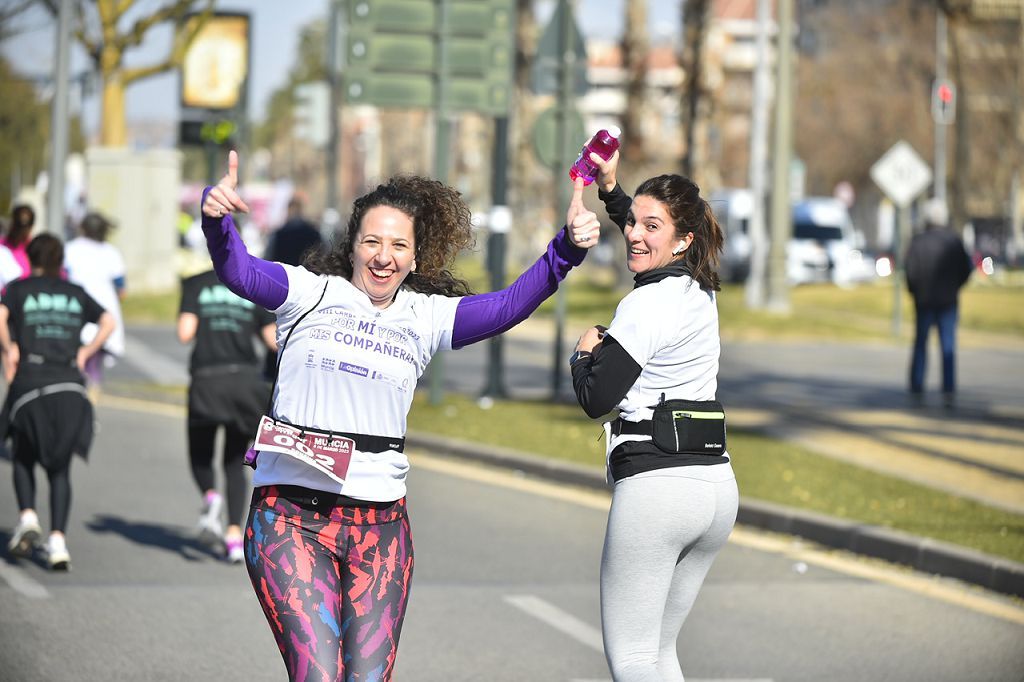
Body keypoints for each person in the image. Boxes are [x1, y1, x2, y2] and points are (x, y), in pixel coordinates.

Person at [201, 150, 600, 680]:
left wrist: (566, 250)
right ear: (352, 248)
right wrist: (216, 222)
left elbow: (507, 306)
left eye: (398, 246)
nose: (383, 256)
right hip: (289, 518)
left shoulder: (425, 315)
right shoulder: (308, 293)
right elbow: (238, 270)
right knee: (317, 674)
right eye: (372, 242)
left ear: (415, 257)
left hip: (379, 527)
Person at [569, 151, 738, 681]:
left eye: (651, 226)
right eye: (633, 223)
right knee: (660, 653)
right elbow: (644, 228)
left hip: (659, 491)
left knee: (634, 658)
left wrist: (583, 354)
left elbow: (598, 397)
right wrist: (612, 188)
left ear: (683, 239)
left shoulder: (645, 306)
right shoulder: (698, 288)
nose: (634, 235)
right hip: (715, 489)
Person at [1, 234, 116, 570]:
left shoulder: (19, 288)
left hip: (30, 383)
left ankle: (27, 516)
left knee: (22, 453)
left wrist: (10, 348)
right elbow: (109, 320)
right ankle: (57, 543)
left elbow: (1, 313)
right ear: (59, 261)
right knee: (60, 468)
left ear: (31, 258)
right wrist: (85, 352)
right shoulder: (74, 292)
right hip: (69, 386)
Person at [178, 265, 277, 563]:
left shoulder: (196, 283)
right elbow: (273, 340)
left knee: (200, 454)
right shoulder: (250, 287)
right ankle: (234, 538)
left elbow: (185, 333)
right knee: (235, 462)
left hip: (207, 379)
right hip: (244, 383)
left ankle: (211, 495)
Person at [905, 198, 973, 409]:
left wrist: (916, 291)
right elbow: (966, 270)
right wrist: (954, 287)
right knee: (948, 346)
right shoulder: (953, 242)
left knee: (920, 344)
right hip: (947, 301)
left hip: (924, 300)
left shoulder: (918, 242)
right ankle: (948, 389)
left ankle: (917, 386)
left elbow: (910, 272)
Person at [261, 195, 326, 381]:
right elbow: (324, 258)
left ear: (289, 210)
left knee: (278, 330)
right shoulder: (314, 233)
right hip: (309, 289)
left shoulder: (279, 233)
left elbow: (269, 258)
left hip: (282, 286)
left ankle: (272, 370)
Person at [63, 211, 127, 397]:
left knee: (74, 361)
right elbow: (121, 289)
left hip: (76, 310)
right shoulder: (111, 252)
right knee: (94, 364)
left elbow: (63, 277)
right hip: (104, 313)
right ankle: (88, 404)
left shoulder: (70, 249)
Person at [3, 204, 36, 279]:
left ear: (31, 226)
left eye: (25, 225)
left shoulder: (34, 249)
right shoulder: (2, 246)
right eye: (18, 224)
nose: (21, 230)